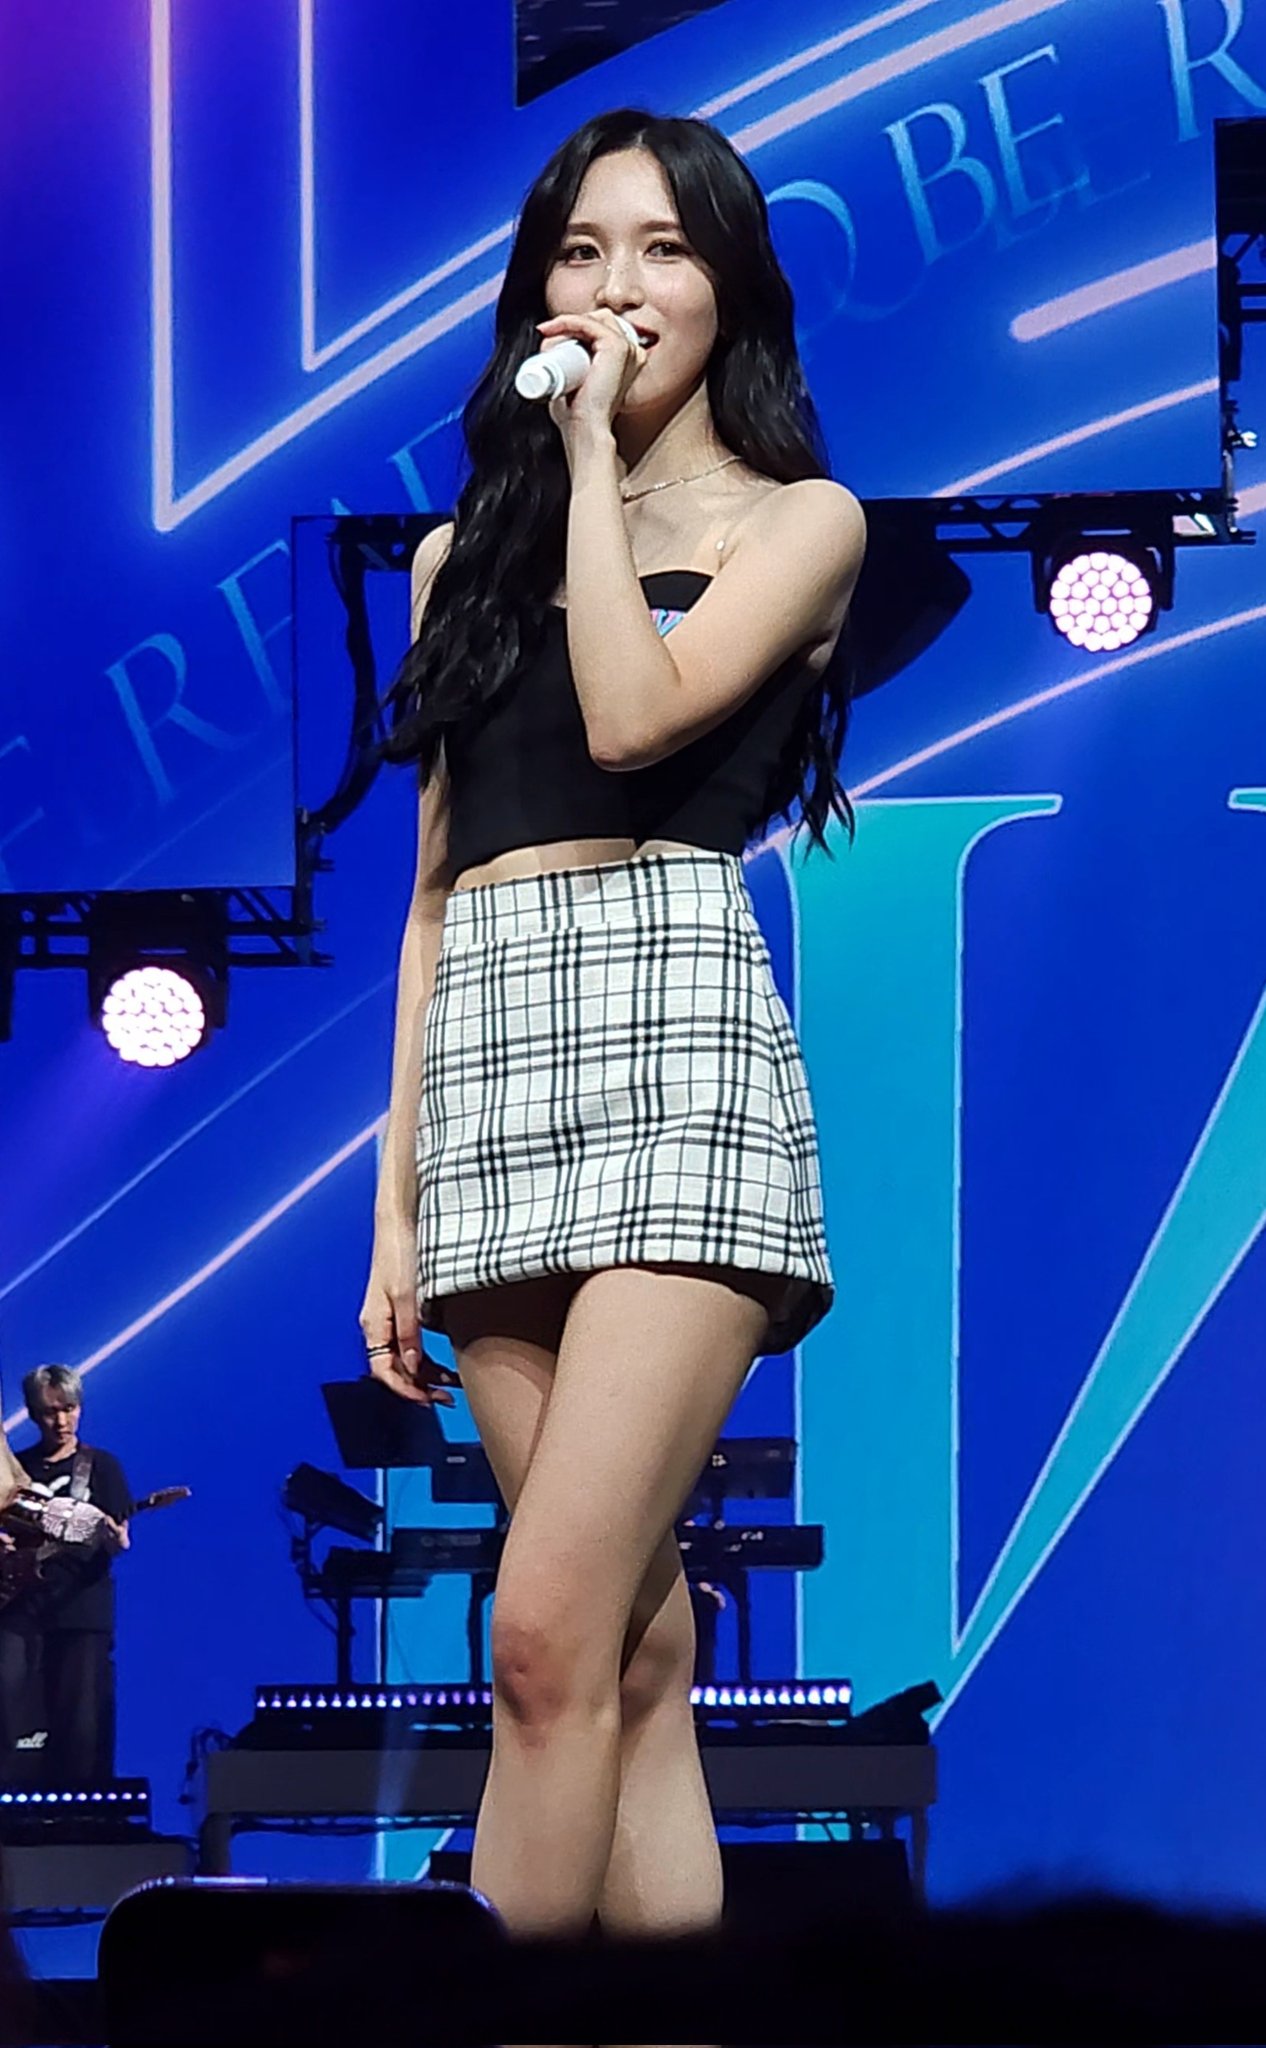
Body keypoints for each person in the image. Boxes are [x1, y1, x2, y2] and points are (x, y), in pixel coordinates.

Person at [360, 108, 865, 1937]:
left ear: (728, 287)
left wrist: (580, 460)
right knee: (630, 1661)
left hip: (671, 1039)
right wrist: (394, 1209)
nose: (619, 286)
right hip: (492, 1054)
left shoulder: (801, 524)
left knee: (541, 1635)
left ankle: (492, 2018)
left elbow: (637, 719)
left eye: (662, 248)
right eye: (582, 250)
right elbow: (431, 897)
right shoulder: (453, 563)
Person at [0, 1365, 129, 1782]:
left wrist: (114, 1539)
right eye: (49, 1412)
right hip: (18, 1608)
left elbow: (118, 1538)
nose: (61, 1421)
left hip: (80, 1610)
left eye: (69, 1409)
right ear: (33, 1414)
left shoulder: (101, 1466)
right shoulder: (17, 1469)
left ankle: (80, 1808)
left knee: (79, 1722)